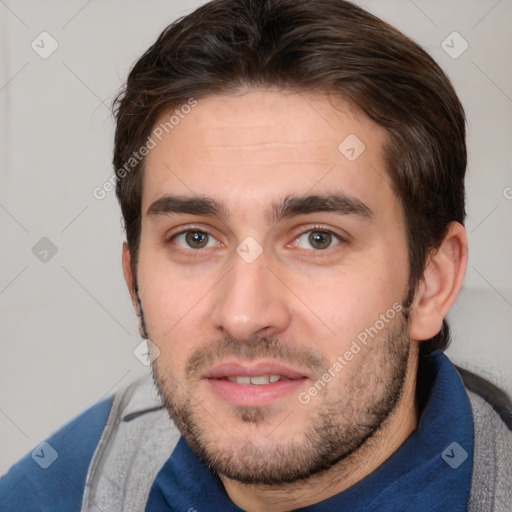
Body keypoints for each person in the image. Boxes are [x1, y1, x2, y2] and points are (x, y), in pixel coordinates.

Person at [1, 0, 511, 510]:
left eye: (318, 238)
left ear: (431, 283)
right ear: (136, 286)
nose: (244, 316)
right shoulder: (63, 489)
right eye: (195, 238)